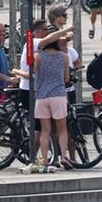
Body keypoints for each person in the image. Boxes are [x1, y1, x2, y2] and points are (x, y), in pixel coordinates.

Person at [34, 29, 71, 169]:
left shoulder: (38, 56)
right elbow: (66, 78)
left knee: (45, 131)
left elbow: (33, 72)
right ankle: (64, 156)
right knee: (62, 129)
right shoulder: (64, 57)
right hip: (58, 94)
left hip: (42, 96)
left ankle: (44, 160)